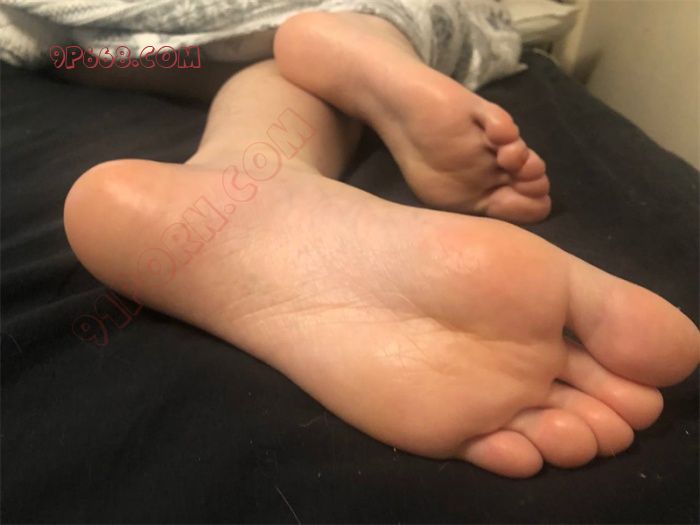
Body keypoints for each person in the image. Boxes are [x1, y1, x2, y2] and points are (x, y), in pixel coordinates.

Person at [60, 11, 699, 478]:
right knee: (333, 43)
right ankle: (370, 39)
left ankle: (246, 167)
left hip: (118, 42)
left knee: (270, 71)